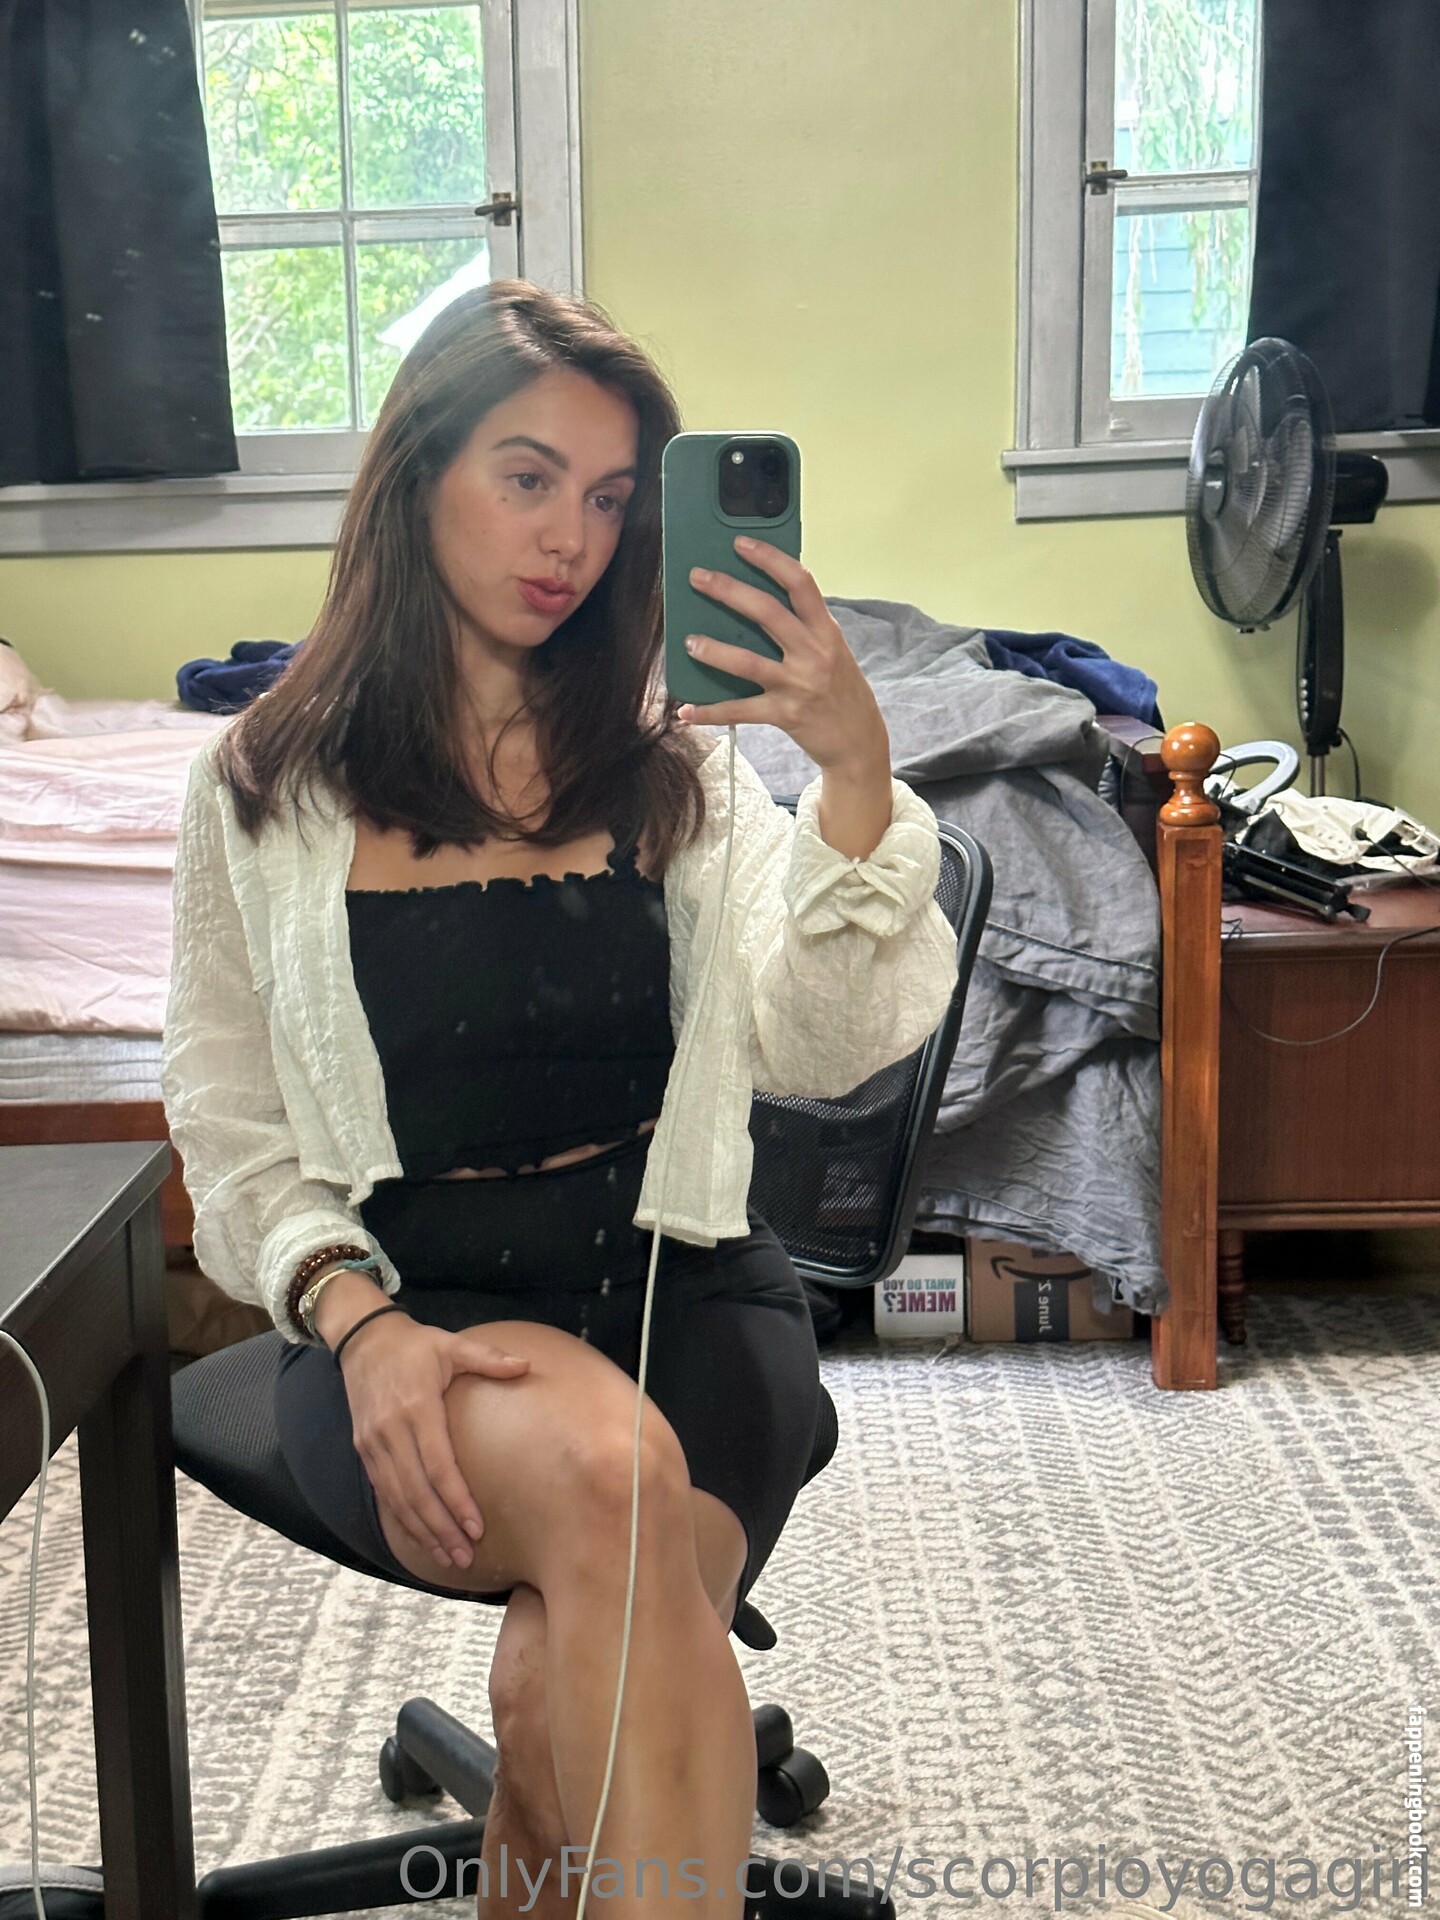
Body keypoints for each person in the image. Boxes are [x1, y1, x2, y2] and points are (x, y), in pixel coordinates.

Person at [161, 279, 959, 1918]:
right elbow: (229, 1129)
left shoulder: (681, 767)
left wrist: (854, 779)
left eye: (606, 499)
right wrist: (355, 1321)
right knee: (609, 1479)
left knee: (551, 1688)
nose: (571, 541)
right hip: (416, 1319)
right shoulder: (261, 791)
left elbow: (823, 1047)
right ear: (417, 478)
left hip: (687, 1295)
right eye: (527, 478)